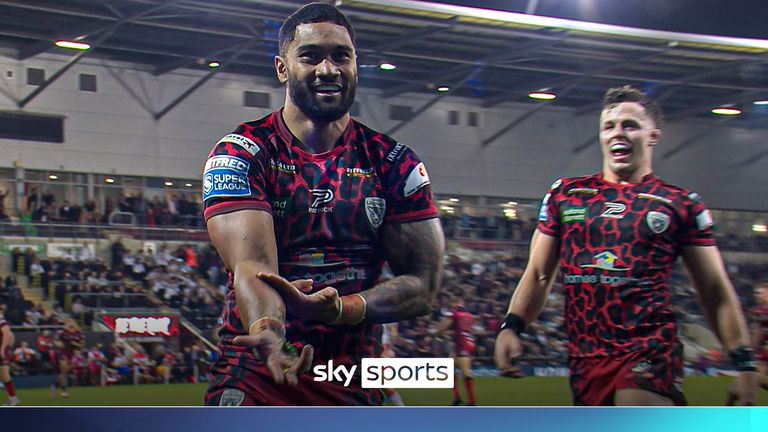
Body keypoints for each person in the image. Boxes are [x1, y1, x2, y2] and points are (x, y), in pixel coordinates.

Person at [201, 3, 444, 406]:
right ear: (282, 68)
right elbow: (252, 265)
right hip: (259, 373)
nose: (328, 69)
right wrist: (269, 329)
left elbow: (424, 285)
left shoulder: (393, 161)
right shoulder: (243, 152)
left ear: (355, 65)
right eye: (311, 56)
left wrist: (342, 309)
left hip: (352, 374)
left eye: (341, 56)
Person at [494, 85, 759, 406]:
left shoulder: (678, 203)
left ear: (653, 136)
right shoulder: (566, 195)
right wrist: (512, 325)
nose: (617, 133)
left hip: (649, 351)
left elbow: (714, 289)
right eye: (609, 126)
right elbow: (538, 274)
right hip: (585, 358)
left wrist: (744, 362)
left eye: (630, 125)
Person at [726, 281, 768, 404]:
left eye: (760, 292)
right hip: (763, 355)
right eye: (756, 293)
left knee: (746, 391)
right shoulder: (760, 312)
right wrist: (749, 349)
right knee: (734, 392)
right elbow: (758, 332)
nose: (757, 295)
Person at [436, 297, 477, 406]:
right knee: (450, 368)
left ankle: (472, 402)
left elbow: (441, 329)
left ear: (455, 302)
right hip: (468, 341)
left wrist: (439, 333)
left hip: (461, 344)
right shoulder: (469, 315)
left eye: (452, 302)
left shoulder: (454, 313)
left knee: (465, 372)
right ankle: (456, 397)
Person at [54, 318, 85, 398]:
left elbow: (81, 345)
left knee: (65, 372)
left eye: (72, 322)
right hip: (62, 352)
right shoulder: (62, 332)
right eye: (69, 322)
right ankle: (63, 391)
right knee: (64, 369)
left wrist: (75, 344)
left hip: (72, 354)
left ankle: (56, 384)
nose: (71, 323)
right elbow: (55, 341)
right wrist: (58, 344)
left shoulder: (79, 333)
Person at [1, 306, 21, 406]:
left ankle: (13, 398)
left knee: (4, 374)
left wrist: (3, 348)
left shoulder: (2, 320)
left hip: (1, 350)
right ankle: (13, 398)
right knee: (4, 375)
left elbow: (7, 334)